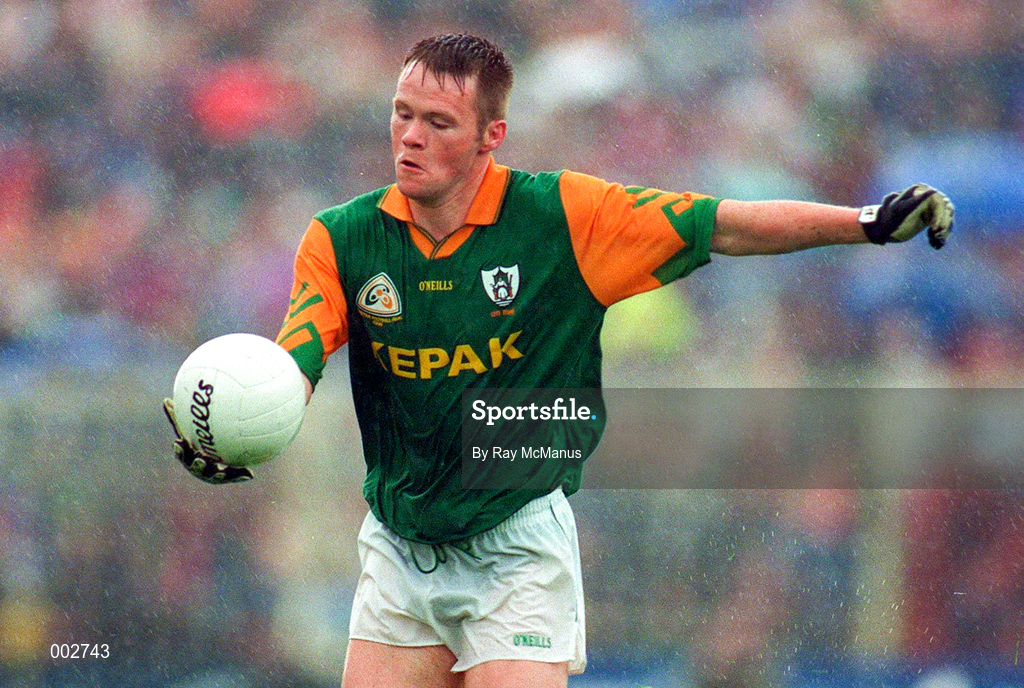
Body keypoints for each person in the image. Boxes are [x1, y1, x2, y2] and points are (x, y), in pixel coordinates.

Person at [162, 33, 954, 688]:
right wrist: (233, 429)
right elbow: (295, 357)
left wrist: (863, 223)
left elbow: (726, 224)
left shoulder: (566, 216)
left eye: (438, 121)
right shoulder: (343, 236)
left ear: (490, 137)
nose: (411, 136)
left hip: (515, 545)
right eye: (402, 114)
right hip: (399, 548)